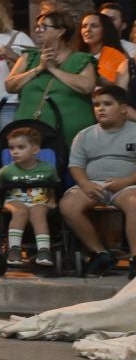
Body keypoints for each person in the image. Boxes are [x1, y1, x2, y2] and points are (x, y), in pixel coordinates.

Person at [61, 85, 136, 277]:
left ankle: (135, 258)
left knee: (134, 203)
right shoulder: (84, 135)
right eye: (96, 105)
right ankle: (100, 253)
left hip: (127, 186)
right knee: (68, 205)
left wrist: (125, 181)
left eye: (107, 104)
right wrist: (85, 184)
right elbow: (76, 165)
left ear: (123, 108)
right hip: (94, 184)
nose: (100, 108)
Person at [5, 9, 98, 148]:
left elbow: (87, 86)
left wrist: (53, 69)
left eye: (43, 27)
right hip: (29, 138)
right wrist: (39, 68)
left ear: (60, 31)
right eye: (37, 27)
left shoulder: (80, 59)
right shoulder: (29, 57)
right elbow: (10, 85)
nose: (38, 30)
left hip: (70, 138)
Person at [0, 123, 59, 268]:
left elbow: (54, 186)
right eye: (11, 148)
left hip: (41, 200)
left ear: (35, 149)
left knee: (38, 212)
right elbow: (0, 188)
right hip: (14, 200)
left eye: (20, 147)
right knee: (21, 211)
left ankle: (44, 250)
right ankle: (14, 250)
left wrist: (53, 201)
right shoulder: (6, 171)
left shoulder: (48, 169)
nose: (14, 152)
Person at [80, 13, 129, 90]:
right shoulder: (77, 55)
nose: (87, 30)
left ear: (105, 30)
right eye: (84, 26)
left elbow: (114, 84)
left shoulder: (115, 55)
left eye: (94, 26)